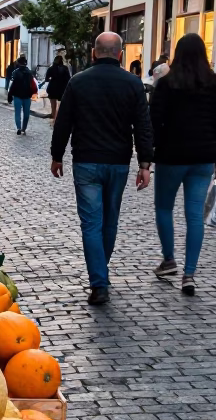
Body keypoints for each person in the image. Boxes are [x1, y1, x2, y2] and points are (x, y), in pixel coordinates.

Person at [50, 31, 153, 305]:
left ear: (94, 53)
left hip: (86, 162)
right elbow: (143, 126)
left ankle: (99, 281)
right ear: (120, 54)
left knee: (91, 223)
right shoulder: (133, 84)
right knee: (109, 220)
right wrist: (145, 164)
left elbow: (64, 122)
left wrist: (57, 155)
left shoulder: (78, 82)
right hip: (118, 162)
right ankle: (100, 275)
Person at [149, 33, 216, 296]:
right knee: (194, 214)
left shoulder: (166, 83)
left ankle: (169, 259)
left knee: (163, 207)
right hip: (203, 157)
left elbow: (154, 121)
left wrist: (150, 154)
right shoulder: (215, 83)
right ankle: (189, 273)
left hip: (171, 156)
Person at [7, 55, 36, 135]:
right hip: (27, 96)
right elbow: (33, 84)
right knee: (26, 114)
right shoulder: (29, 73)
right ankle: (23, 128)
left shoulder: (15, 72)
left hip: (18, 96)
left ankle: (19, 127)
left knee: (17, 113)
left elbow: (12, 85)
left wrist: (10, 95)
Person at [45, 54, 71, 121]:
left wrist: (52, 79)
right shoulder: (65, 68)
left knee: (53, 106)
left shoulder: (51, 68)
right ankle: (59, 118)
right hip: (62, 89)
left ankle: (54, 117)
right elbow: (68, 78)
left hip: (52, 89)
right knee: (61, 106)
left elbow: (46, 79)